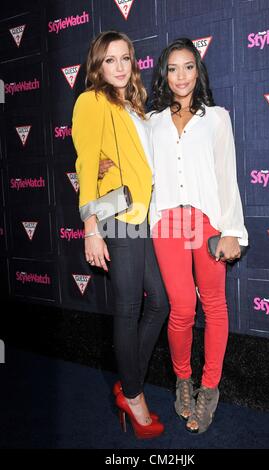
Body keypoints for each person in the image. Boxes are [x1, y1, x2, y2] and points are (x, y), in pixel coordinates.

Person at [99, 37, 248, 434]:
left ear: (198, 72)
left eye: (189, 67)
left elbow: (226, 176)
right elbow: (138, 171)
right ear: (163, 73)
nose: (181, 75)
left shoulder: (217, 118)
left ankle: (209, 388)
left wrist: (232, 230)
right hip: (167, 223)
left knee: (214, 305)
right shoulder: (152, 122)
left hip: (208, 223)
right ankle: (183, 382)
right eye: (172, 68)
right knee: (180, 308)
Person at [72, 30, 168, 439]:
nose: (118, 67)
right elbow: (86, 162)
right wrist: (91, 228)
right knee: (129, 309)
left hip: (141, 217)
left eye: (125, 58)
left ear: (133, 62)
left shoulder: (134, 105)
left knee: (159, 304)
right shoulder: (91, 101)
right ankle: (133, 394)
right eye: (109, 60)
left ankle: (128, 383)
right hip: (114, 217)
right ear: (98, 64)